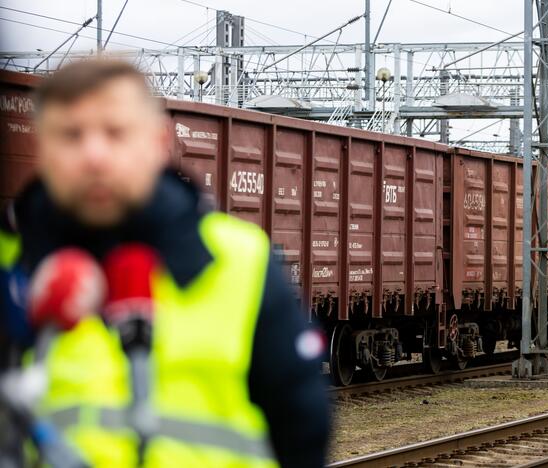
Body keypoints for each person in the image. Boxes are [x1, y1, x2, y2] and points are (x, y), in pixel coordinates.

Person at [0, 59, 330, 467]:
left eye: (116, 133)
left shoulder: (240, 262)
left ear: (158, 142)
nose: (94, 156)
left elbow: (303, 431)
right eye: (71, 135)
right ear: (41, 149)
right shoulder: (8, 266)